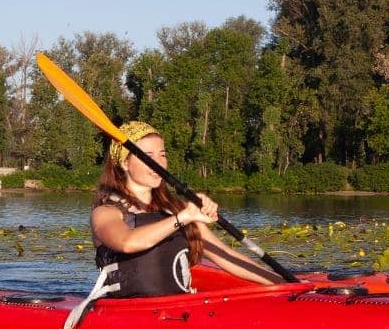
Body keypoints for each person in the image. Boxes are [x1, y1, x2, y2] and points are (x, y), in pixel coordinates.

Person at [89, 121, 282, 298]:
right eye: (148, 157)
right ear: (124, 163)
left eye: (162, 155)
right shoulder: (106, 212)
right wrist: (184, 216)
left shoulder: (176, 210)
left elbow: (225, 256)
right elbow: (127, 243)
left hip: (179, 309)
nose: (159, 163)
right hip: (129, 313)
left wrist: (284, 284)